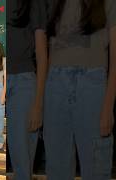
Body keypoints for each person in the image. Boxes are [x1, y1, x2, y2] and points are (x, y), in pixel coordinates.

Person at [44, 0, 116, 179]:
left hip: (92, 83)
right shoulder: (56, 4)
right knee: (57, 166)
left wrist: (108, 107)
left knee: (96, 166)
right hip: (56, 84)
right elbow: (50, 52)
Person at [7, 0, 48, 179]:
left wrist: (38, 105)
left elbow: (42, 55)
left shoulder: (34, 4)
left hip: (22, 81)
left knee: (22, 164)